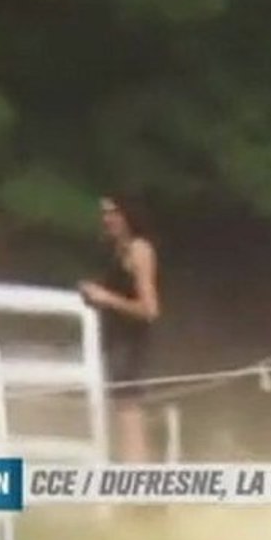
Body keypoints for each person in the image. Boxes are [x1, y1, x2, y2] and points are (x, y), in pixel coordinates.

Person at [79, 193, 160, 463]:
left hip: (131, 343)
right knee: (123, 416)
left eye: (114, 212)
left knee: (130, 418)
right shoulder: (115, 250)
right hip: (116, 341)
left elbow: (149, 309)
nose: (108, 219)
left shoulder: (139, 250)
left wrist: (105, 298)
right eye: (104, 213)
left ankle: (141, 492)